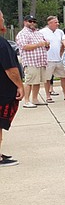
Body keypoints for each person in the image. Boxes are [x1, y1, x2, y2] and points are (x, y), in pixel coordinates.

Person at [0, 9, 24, 167]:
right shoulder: (1, 44)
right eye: (1, 18)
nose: (3, 20)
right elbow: (10, 68)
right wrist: (20, 86)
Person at [15, 15, 49, 108]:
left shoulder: (38, 33)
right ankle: (26, 101)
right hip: (30, 61)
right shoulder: (22, 34)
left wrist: (46, 44)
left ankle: (35, 99)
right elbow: (24, 46)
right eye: (30, 21)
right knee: (29, 81)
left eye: (34, 21)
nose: (33, 23)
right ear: (25, 22)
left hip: (41, 61)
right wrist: (38, 44)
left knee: (37, 81)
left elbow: (44, 43)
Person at [40, 16, 65, 102]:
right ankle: (48, 96)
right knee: (47, 78)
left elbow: (63, 43)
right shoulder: (42, 32)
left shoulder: (60, 32)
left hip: (58, 59)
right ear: (50, 23)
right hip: (48, 59)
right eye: (55, 22)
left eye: (57, 22)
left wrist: (61, 53)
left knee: (63, 77)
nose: (57, 24)